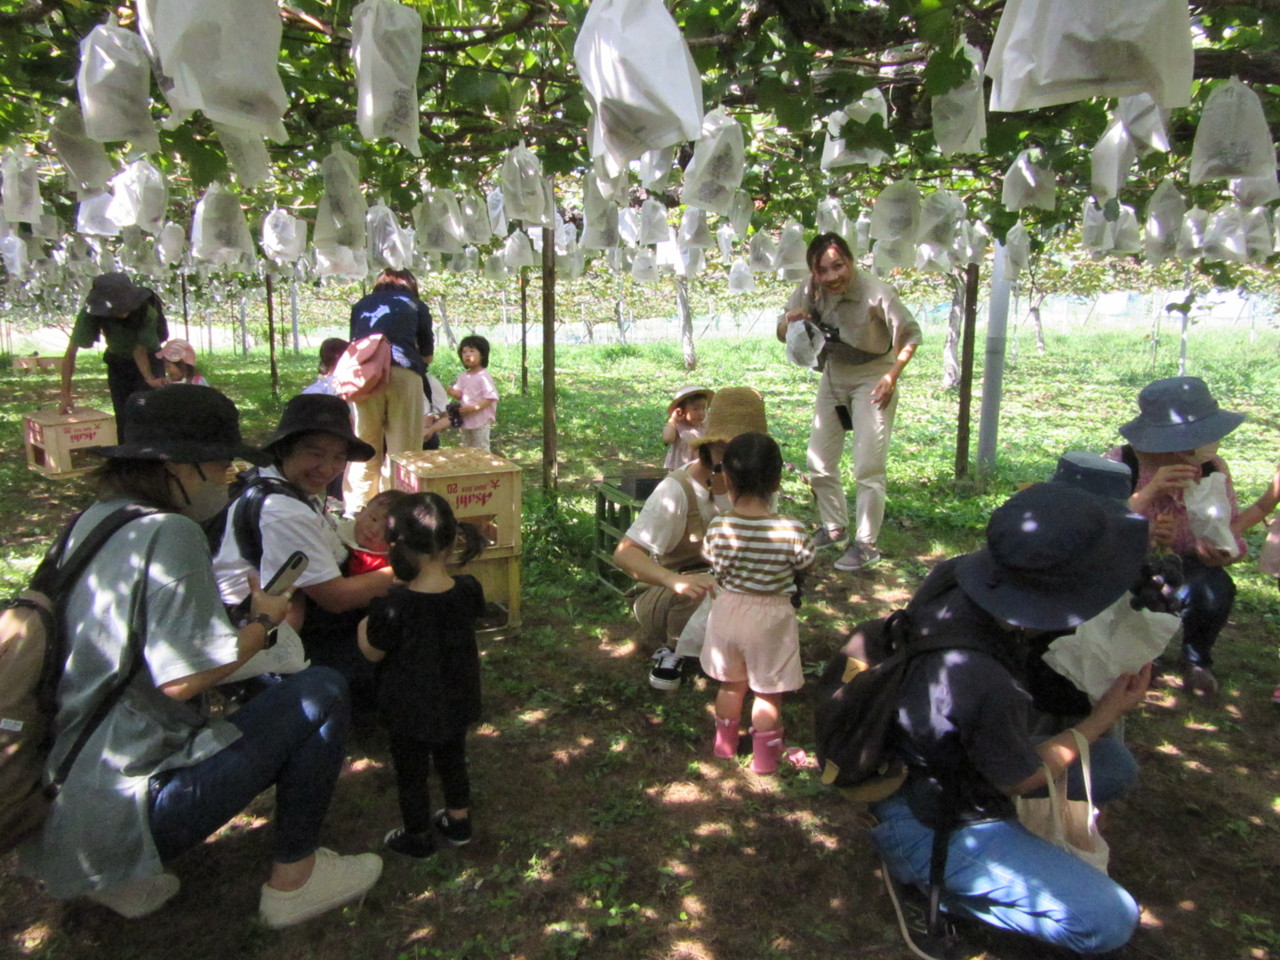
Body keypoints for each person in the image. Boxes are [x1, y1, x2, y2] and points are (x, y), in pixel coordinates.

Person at [20, 385, 382, 928]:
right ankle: (296, 880)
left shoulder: (93, 521)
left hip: (57, 794)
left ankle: (119, 877)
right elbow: (186, 678)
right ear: (175, 466)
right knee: (322, 691)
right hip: (126, 799)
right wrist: (263, 621)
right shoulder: (170, 532)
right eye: (217, 464)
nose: (225, 478)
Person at [871, 483, 1152, 959]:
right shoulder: (984, 679)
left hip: (934, 760)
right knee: (1110, 920)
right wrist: (1105, 714)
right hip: (928, 814)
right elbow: (1021, 778)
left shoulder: (958, 577)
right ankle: (929, 883)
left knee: (1114, 767)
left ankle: (963, 866)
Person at [212, 393, 395, 690]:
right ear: (285, 449)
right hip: (269, 640)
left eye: (338, 457)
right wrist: (411, 569)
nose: (328, 468)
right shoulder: (283, 511)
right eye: (315, 454)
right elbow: (336, 598)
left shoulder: (276, 483)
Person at [776, 232, 921, 573]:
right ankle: (834, 527)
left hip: (873, 373)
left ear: (850, 261)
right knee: (818, 460)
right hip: (833, 373)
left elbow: (911, 336)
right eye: (822, 270)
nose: (831, 277)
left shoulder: (876, 292)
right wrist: (790, 320)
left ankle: (866, 544)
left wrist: (892, 376)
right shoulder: (810, 289)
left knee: (867, 465)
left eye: (837, 266)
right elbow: (782, 331)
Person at [357, 493, 487, 858]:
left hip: (408, 708)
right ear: (451, 541)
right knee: (453, 759)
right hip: (457, 698)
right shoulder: (468, 590)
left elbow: (371, 651)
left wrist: (366, 621)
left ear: (396, 547)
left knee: (411, 772)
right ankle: (458, 822)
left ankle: (417, 836)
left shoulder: (393, 607)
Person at [613, 386, 768, 690]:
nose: (737, 464)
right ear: (710, 446)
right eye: (727, 452)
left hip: (729, 585)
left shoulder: (759, 487)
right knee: (701, 590)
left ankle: (739, 645)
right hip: (674, 593)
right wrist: (674, 581)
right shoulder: (677, 490)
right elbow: (625, 554)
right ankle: (673, 649)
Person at [1107, 376, 1246, 696]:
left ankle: (1197, 660)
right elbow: (1103, 523)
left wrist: (1219, 550)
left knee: (1215, 588)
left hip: (1187, 561)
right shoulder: (1122, 462)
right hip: (1129, 562)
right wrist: (1150, 494)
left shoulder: (1212, 467)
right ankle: (1142, 658)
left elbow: (1229, 525)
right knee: (1144, 589)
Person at [701, 433, 815, 773]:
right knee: (767, 692)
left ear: (727, 479)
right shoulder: (792, 529)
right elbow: (805, 562)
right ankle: (765, 760)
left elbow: (713, 562)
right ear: (777, 481)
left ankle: (724, 746)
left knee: (730, 685)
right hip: (771, 618)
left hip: (728, 611)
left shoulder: (719, 526)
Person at [344, 269, 434, 515]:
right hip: (404, 373)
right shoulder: (415, 305)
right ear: (410, 284)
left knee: (364, 442)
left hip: (366, 375)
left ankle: (357, 509)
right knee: (405, 448)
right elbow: (427, 353)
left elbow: (354, 344)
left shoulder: (361, 305)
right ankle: (399, 508)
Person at [59, 271, 168, 425]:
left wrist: (150, 379)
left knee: (149, 413)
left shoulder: (147, 311)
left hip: (149, 361)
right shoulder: (90, 314)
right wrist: (65, 394)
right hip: (118, 362)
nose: (123, 314)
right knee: (123, 416)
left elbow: (140, 350)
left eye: (125, 307)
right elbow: (71, 353)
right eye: (116, 309)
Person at [337, 489, 410, 575]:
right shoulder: (339, 535)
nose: (375, 530)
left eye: (387, 529)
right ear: (361, 512)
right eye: (373, 519)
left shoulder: (378, 565)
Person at [448, 334, 499, 452]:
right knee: (467, 447)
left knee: (481, 447)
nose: (467, 354)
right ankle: (470, 463)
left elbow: (490, 398)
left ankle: (484, 464)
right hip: (465, 418)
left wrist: (474, 408)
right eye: (464, 351)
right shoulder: (463, 376)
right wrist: (450, 390)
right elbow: (459, 394)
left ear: (483, 354)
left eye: (472, 351)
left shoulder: (483, 375)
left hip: (480, 419)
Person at [663, 386, 713, 470]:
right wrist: (672, 420)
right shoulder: (677, 425)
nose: (701, 413)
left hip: (699, 469)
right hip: (678, 469)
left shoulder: (704, 425)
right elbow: (667, 439)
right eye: (695, 409)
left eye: (704, 409)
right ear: (681, 410)